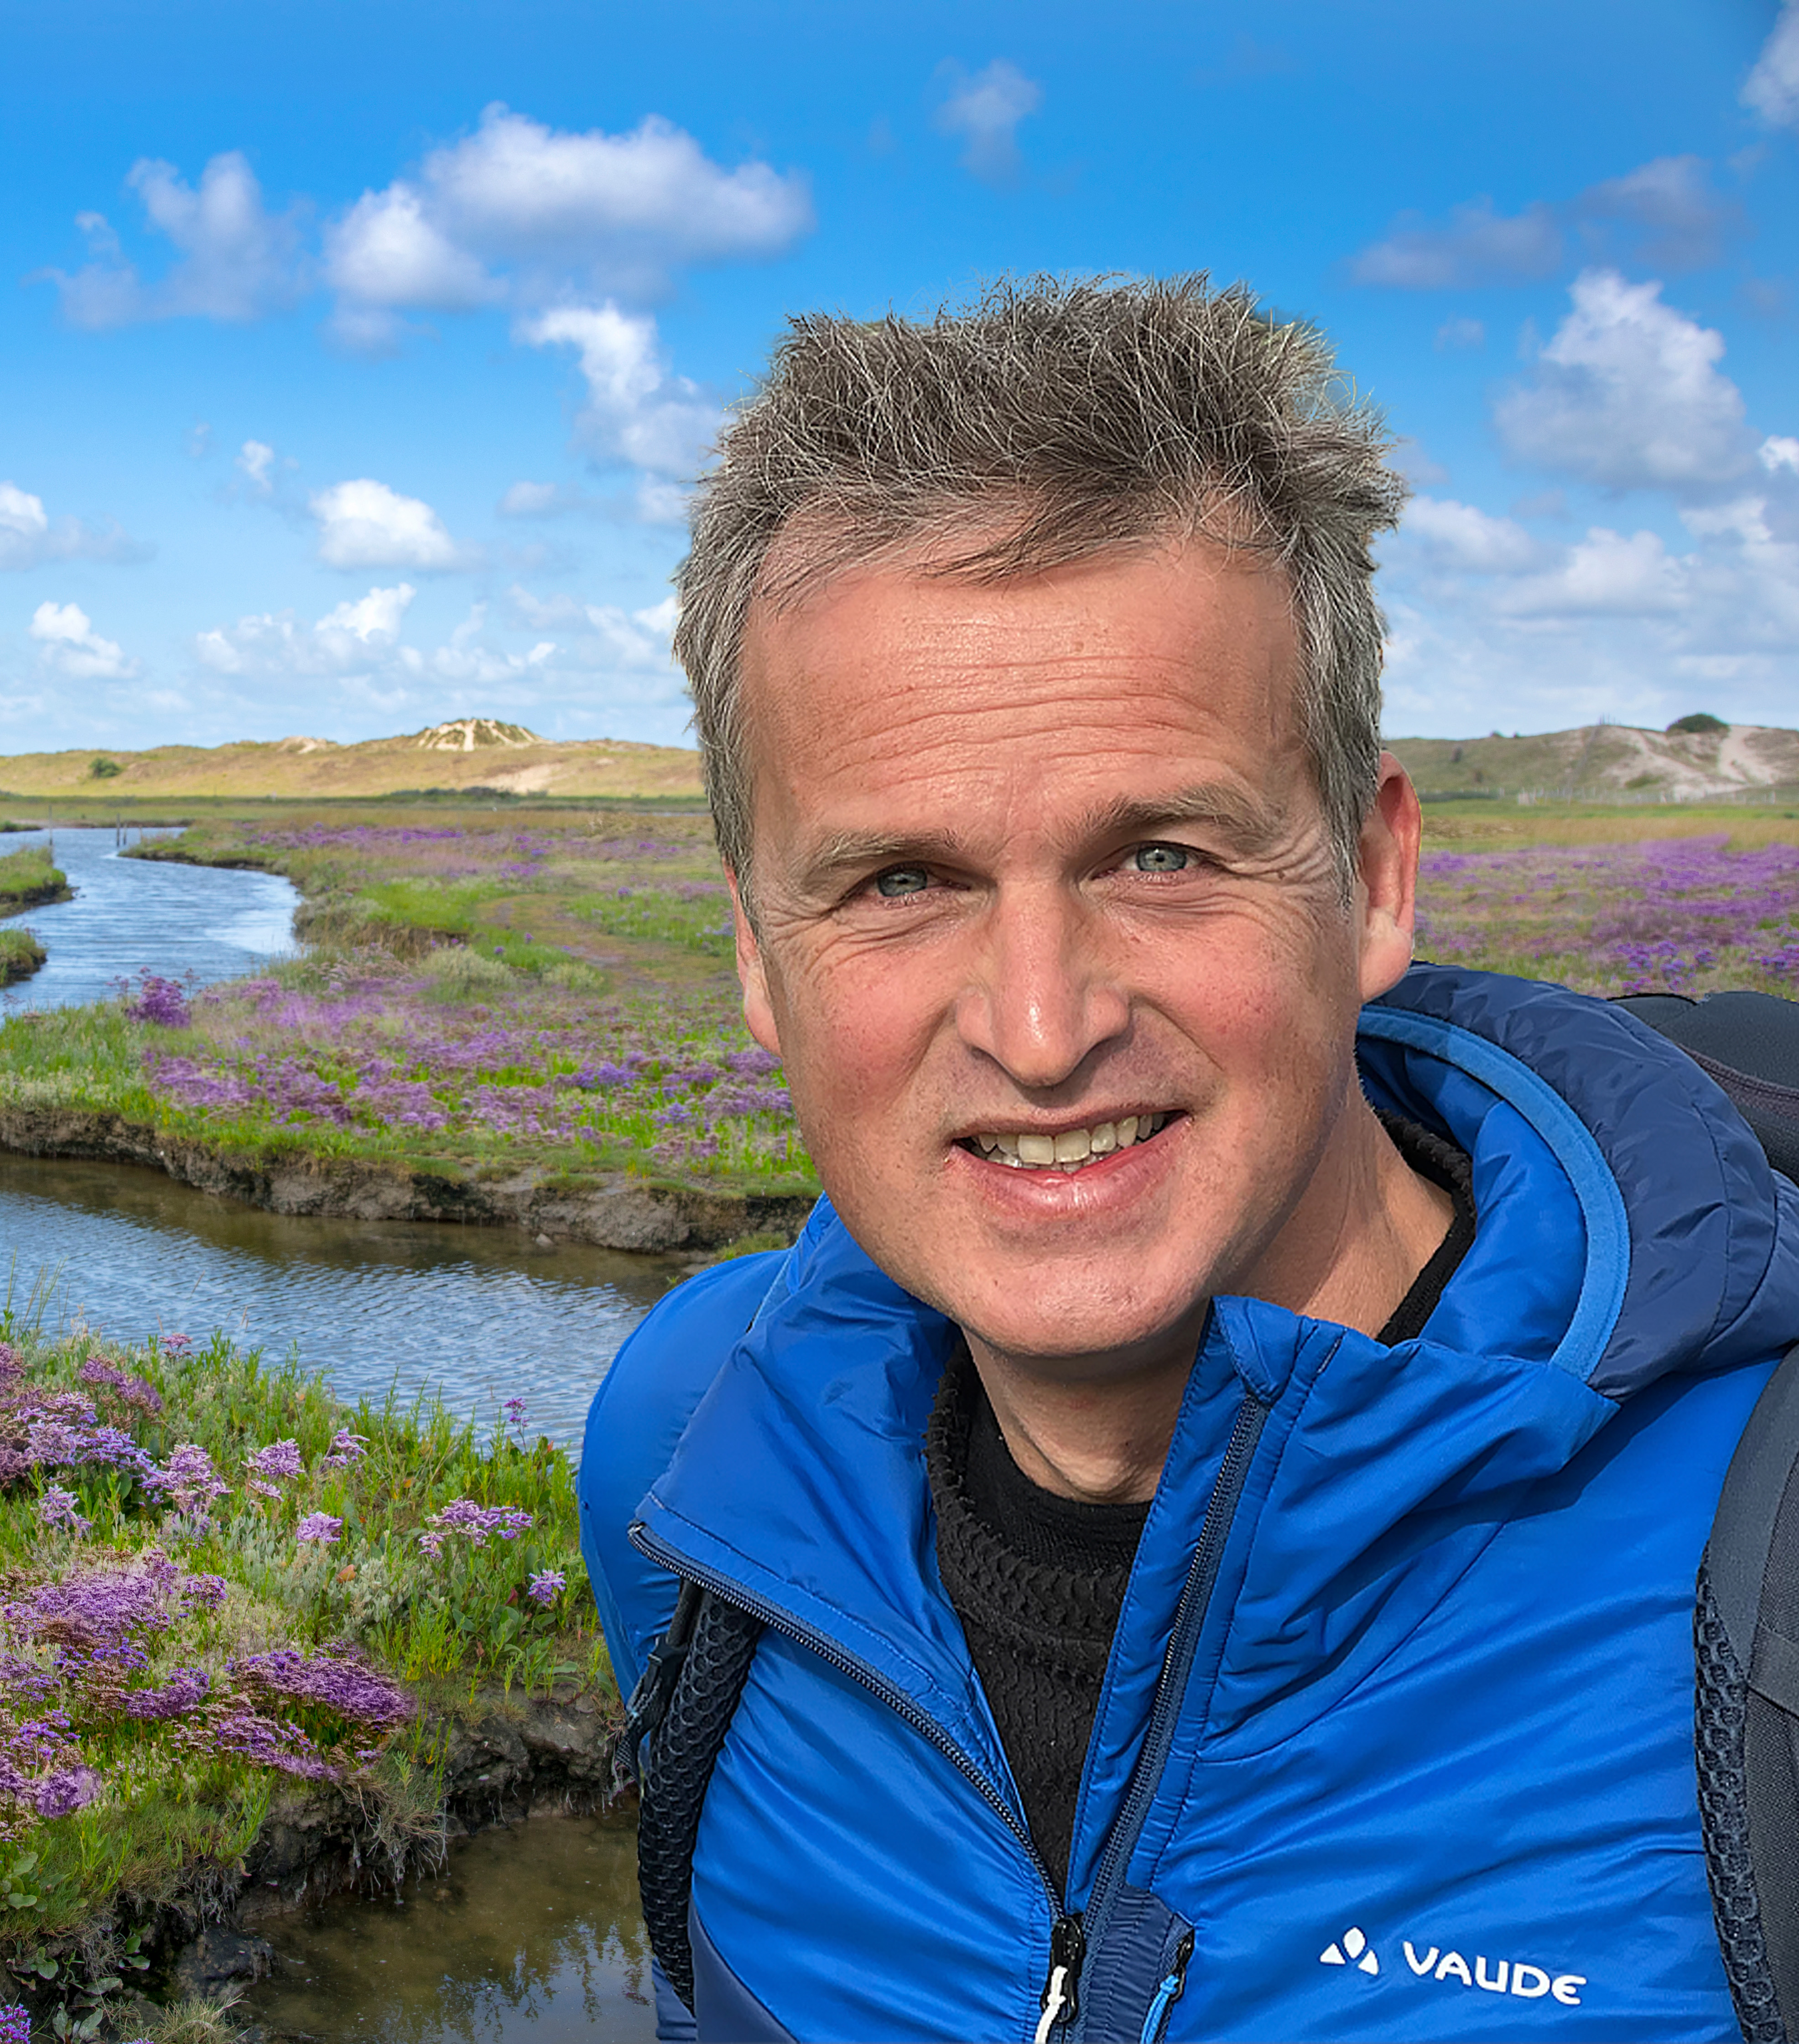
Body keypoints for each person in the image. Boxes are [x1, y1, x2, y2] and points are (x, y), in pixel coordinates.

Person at [578, 274, 1799, 2041]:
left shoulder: (1753, 1577)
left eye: (1159, 854)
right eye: (900, 880)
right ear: (760, 959)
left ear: (1375, 878)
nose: (1041, 1021)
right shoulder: (694, 1439)